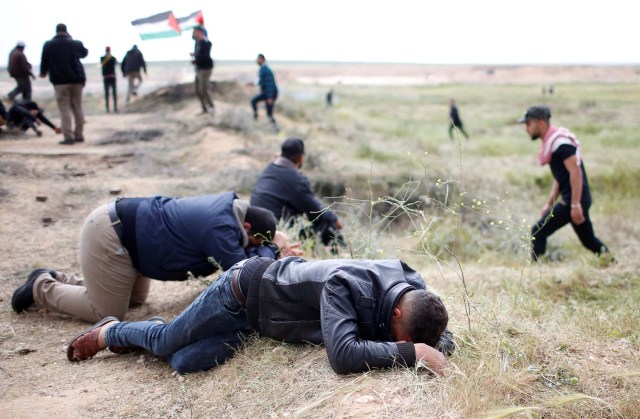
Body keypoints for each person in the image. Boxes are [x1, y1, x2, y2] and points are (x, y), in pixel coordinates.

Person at [66, 255, 455, 376]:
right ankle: (111, 333)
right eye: (398, 333)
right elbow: (342, 356)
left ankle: (146, 334)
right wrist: (414, 354)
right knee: (168, 340)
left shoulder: (413, 285)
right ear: (398, 309)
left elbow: (439, 336)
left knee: (183, 362)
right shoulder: (343, 286)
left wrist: (425, 344)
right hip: (238, 294)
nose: (397, 341)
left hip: (261, 322)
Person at [11, 192, 302, 323]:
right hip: (112, 237)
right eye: (252, 240)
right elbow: (244, 271)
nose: (249, 245)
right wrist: (274, 248)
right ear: (246, 227)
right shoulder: (222, 228)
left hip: (132, 247)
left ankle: (62, 279)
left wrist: (267, 247)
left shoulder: (229, 213)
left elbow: (244, 253)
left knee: (135, 302)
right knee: (107, 314)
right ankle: (41, 286)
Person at [518, 105, 610, 261]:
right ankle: (611, 261)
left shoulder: (561, 144)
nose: (527, 128)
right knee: (589, 241)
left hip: (574, 199)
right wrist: (549, 204)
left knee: (537, 231)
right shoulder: (552, 143)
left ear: (540, 123)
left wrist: (575, 205)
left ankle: (535, 271)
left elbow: (576, 172)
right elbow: (561, 177)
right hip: (576, 198)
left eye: (528, 124)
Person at [251, 138, 344, 249]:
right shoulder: (295, 179)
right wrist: (334, 219)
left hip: (256, 227)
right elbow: (314, 210)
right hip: (277, 230)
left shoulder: (268, 169)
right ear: (300, 157)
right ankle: (344, 257)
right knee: (328, 225)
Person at [39, 23, 88, 145]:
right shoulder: (75, 43)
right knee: (77, 107)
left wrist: (43, 72)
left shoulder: (49, 44)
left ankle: (68, 137)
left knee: (64, 108)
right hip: (77, 79)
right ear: (66, 31)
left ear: (56, 31)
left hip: (60, 81)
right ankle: (79, 135)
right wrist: (71, 39)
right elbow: (85, 53)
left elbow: (44, 60)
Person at [250, 53, 279, 129]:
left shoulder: (265, 69)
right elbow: (261, 81)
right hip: (266, 93)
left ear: (262, 59)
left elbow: (270, 83)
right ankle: (255, 119)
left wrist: (270, 97)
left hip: (269, 94)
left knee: (269, 114)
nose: (256, 60)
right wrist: (253, 84)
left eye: (258, 59)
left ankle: (276, 130)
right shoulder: (263, 69)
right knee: (253, 101)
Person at [191, 26, 214, 114]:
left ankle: (211, 107)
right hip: (198, 68)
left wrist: (196, 59)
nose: (194, 33)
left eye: (196, 32)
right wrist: (194, 55)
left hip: (205, 69)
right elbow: (198, 54)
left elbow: (204, 56)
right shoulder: (197, 43)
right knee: (198, 90)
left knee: (204, 89)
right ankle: (204, 108)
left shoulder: (206, 42)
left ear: (200, 32)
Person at [100, 46, 118, 113]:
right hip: (112, 77)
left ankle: (107, 109)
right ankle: (115, 108)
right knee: (114, 93)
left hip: (106, 78)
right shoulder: (113, 58)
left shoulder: (102, 58)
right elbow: (116, 64)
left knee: (107, 93)